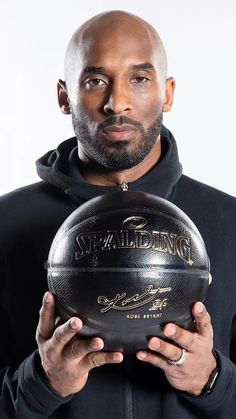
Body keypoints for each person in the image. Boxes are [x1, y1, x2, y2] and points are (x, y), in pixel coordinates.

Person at [0, 9, 235, 419]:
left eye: (139, 79)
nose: (117, 102)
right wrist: (41, 383)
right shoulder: (6, 223)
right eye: (95, 81)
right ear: (63, 95)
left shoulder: (229, 220)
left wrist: (212, 380)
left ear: (169, 92)